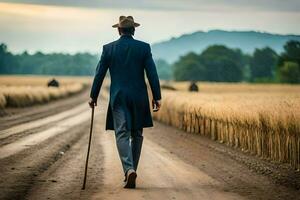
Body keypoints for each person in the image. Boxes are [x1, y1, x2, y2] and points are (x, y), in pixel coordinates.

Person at [89, 16, 162, 189]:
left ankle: (129, 169)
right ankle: (132, 170)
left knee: (121, 132)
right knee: (136, 134)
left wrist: (94, 96)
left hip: (119, 97)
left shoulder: (109, 49)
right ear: (133, 30)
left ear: (119, 30)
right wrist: (157, 96)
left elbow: (100, 74)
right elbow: (152, 73)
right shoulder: (144, 48)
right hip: (139, 98)